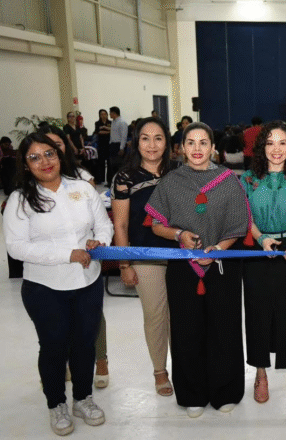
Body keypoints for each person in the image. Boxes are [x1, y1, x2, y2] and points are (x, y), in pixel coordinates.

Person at [3, 133, 113, 435]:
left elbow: (103, 223)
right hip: (45, 288)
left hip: (87, 281)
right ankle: (56, 403)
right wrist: (68, 254)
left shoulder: (81, 189)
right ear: (25, 165)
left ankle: (82, 398)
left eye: (49, 154)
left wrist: (99, 240)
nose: (44, 162)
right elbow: (17, 247)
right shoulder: (20, 199)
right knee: (53, 348)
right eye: (35, 157)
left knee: (85, 344)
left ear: (59, 155)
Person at [145, 122, 250, 418]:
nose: (197, 149)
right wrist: (179, 235)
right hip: (182, 267)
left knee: (224, 329)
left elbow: (238, 225)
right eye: (190, 143)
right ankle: (192, 393)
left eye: (203, 143)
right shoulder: (170, 182)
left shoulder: (229, 180)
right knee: (186, 330)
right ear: (181, 148)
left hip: (222, 265)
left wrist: (218, 248)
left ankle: (226, 390)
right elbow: (156, 223)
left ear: (213, 147)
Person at [240, 121, 286, 403]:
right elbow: (247, 219)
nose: (276, 149)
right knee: (257, 314)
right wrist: (260, 240)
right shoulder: (247, 179)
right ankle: (260, 373)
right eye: (270, 143)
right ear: (262, 148)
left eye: (282, 143)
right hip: (257, 252)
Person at [111, 117, 178, 397]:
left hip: (181, 255)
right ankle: (160, 371)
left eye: (158, 138)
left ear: (168, 142)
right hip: (144, 257)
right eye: (145, 138)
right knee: (156, 316)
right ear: (136, 142)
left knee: (182, 317)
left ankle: (184, 368)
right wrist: (125, 264)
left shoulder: (180, 172)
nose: (152, 145)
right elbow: (121, 225)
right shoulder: (125, 178)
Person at [107, 106, 128, 186]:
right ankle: (113, 182)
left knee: (119, 165)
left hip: (119, 145)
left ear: (114, 113)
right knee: (112, 165)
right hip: (112, 145)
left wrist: (122, 148)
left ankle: (121, 182)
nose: (109, 114)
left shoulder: (122, 122)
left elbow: (124, 136)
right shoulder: (113, 122)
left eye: (110, 112)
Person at [93, 109, 111, 184]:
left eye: (105, 114)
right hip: (101, 144)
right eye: (101, 114)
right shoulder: (97, 123)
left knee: (110, 162)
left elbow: (112, 131)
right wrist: (108, 131)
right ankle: (101, 179)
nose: (103, 115)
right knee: (101, 162)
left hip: (109, 144)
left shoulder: (110, 122)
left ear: (107, 115)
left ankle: (109, 180)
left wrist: (105, 129)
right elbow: (99, 132)